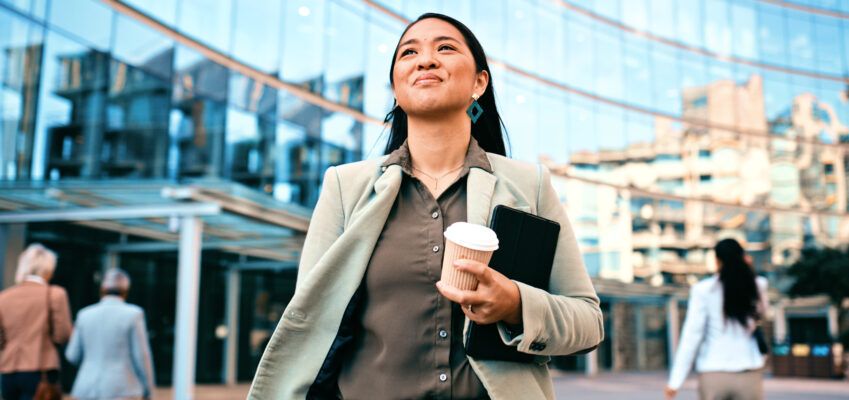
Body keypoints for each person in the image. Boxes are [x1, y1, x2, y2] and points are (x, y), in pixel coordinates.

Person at [249, 13, 603, 399]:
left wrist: (515, 304)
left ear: (479, 82)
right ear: (396, 89)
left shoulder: (528, 185)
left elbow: (587, 322)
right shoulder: (344, 187)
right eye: (409, 52)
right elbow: (311, 323)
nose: (426, 60)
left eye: (445, 48)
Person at [665, 238, 768, 400]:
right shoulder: (758, 285)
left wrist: (675, 381)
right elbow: (762, 315)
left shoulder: (703, 290)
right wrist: (748, 268)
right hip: (749, 371)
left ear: (717, 261)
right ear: (744, 257)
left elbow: (691, 336)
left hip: (713, 372)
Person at [65, 268, 155, 400]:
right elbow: (141, 357)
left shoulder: (84, 314)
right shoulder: (134, 314)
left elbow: (72, 355)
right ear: (125, 291)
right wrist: (148, 390)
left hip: (86, 388)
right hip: (123, 388)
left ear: (102, 290)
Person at [0, 243, 73, 400]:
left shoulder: (4, 297)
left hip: (7, 371)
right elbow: (63, 335)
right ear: (48, 269)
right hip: (42, 371)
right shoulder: (55, 294)